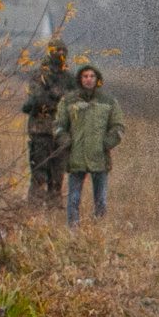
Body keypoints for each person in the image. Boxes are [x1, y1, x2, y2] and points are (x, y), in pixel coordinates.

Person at [53, 63, 124, 226]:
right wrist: (64, 139)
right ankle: (73, 232)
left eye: (92, 76)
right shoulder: (68, 100)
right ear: (80, 79)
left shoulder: (109, 101)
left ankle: (98, 232)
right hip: (76, 157)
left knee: (101, 201)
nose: (89, 79)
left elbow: (118, 126)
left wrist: (106, 144)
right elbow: (58, 125)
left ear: (97, 79)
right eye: (85, 76)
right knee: (73, 200)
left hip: (100, 158)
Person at [21, 41, 70, 206]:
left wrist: (57, 97)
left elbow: (74, 101)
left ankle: (53, 211)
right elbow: (36, 100)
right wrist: (57, 98)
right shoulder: (40, 75)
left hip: (61, 132)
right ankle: (34, 210)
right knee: (39, 174)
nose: (60, 53)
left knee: (58, 176)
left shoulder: (68, 77)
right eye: (57, 50)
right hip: (41, 131)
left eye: (63, 50)